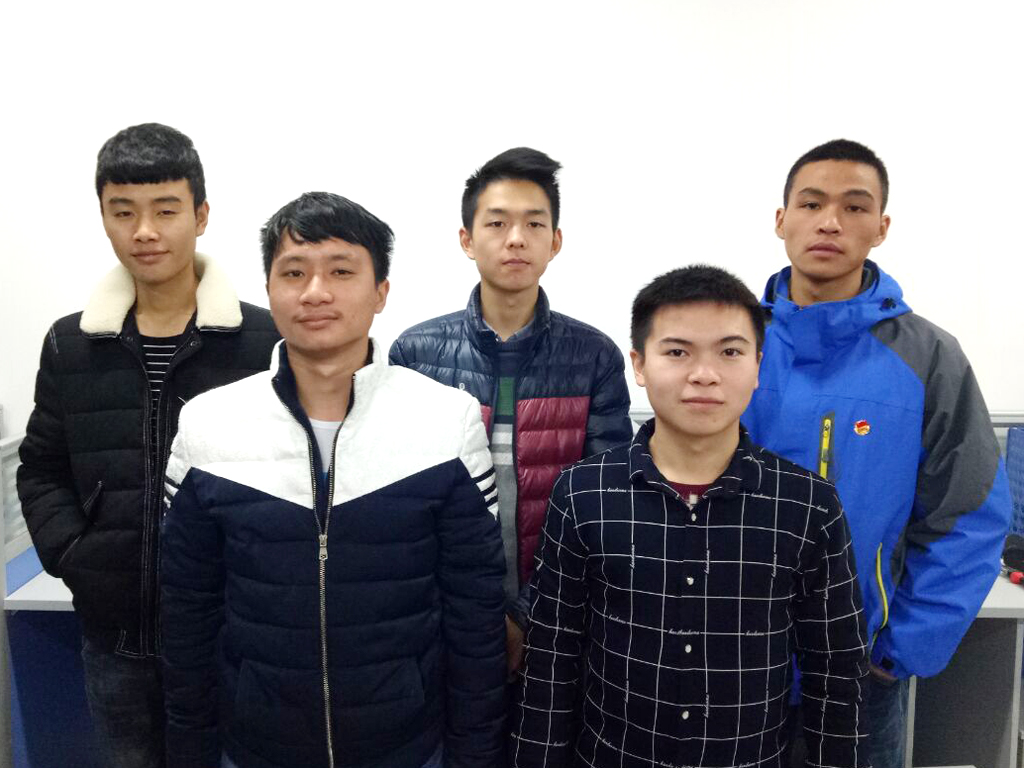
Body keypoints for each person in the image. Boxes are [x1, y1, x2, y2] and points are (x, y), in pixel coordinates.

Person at [160, 192, 507, 768]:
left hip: (406, 746)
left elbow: (474, 617)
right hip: (256, 747)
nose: (315, 292)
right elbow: (187, 614)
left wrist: (474, 754)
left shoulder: (447, 422)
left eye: (341, 271)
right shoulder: (208, 426)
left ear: (381, 292)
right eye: (293, 272)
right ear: (269, 289)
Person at [511, 265, 868, 768]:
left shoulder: (808, 504)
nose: (704, 374)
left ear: (758, 365)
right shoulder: (583, 492)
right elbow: (552, 658)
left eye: (730, 352)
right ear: (639, 364)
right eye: (677, 352)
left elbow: (835, 671)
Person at [16, 123, 279, 768]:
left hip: (233, 635)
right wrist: (75, 555)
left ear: (201, 215)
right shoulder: (71, 344)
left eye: (165, 210)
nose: (144, 231)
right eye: (123, 211)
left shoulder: (263, 340)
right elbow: (41, 467)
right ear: (104, 218)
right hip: (114, 637)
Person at [743, 138, 1011, 768]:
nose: (830, 222)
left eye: (855, 207)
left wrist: (902, 648)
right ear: (781, 219)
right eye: (811, 203)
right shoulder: (730, 342)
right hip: (730, 664)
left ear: (882, 227)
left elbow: (969, 513)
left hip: (861, 674)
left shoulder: (928, 356)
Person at [389, 147, 632, 676]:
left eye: (534, 223)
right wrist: (477, 614)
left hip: (563, 615)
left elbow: (605, 506)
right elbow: (407, 508)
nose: (516, 238)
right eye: (497, 223)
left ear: (555, 241)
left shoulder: (594, 357)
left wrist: (524, 616)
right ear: (466, 240)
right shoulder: (415, 353)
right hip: (443, 616)